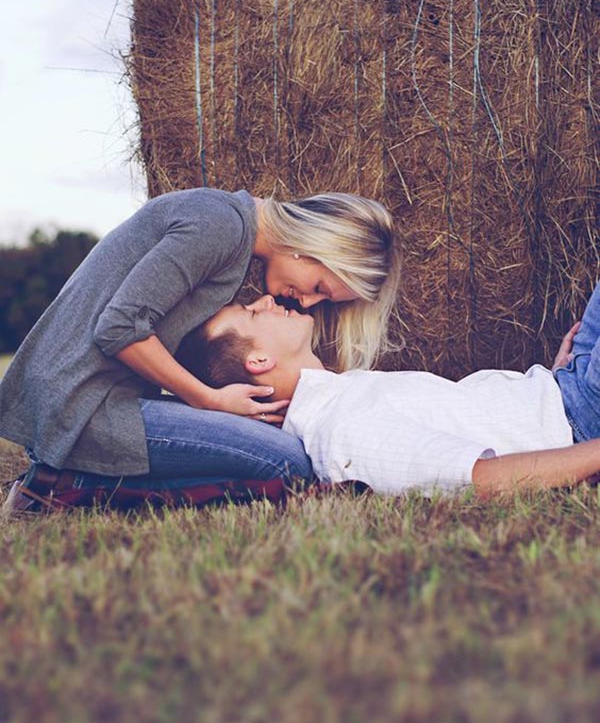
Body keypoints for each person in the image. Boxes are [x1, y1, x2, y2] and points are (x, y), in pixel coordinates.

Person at [1, 188, 400, 515]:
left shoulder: (227, 227)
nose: (308, 303)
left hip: (93, 397)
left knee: (274, 454)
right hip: (82, 404)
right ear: (311, 246)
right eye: (318, 286)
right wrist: (208, 400)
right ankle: (67, 486)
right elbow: (119, 327)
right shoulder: (219, 225)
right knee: (287, 463)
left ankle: (71, 477)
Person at [182, 285, 600, 497]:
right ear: (258, 362)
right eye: (253, 313)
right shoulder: (344, 432)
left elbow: (467, 413)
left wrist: (548, 378)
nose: (267, 299)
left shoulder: (338, 394)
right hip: (581, 420)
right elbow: (485, 482)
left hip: (562, 387)